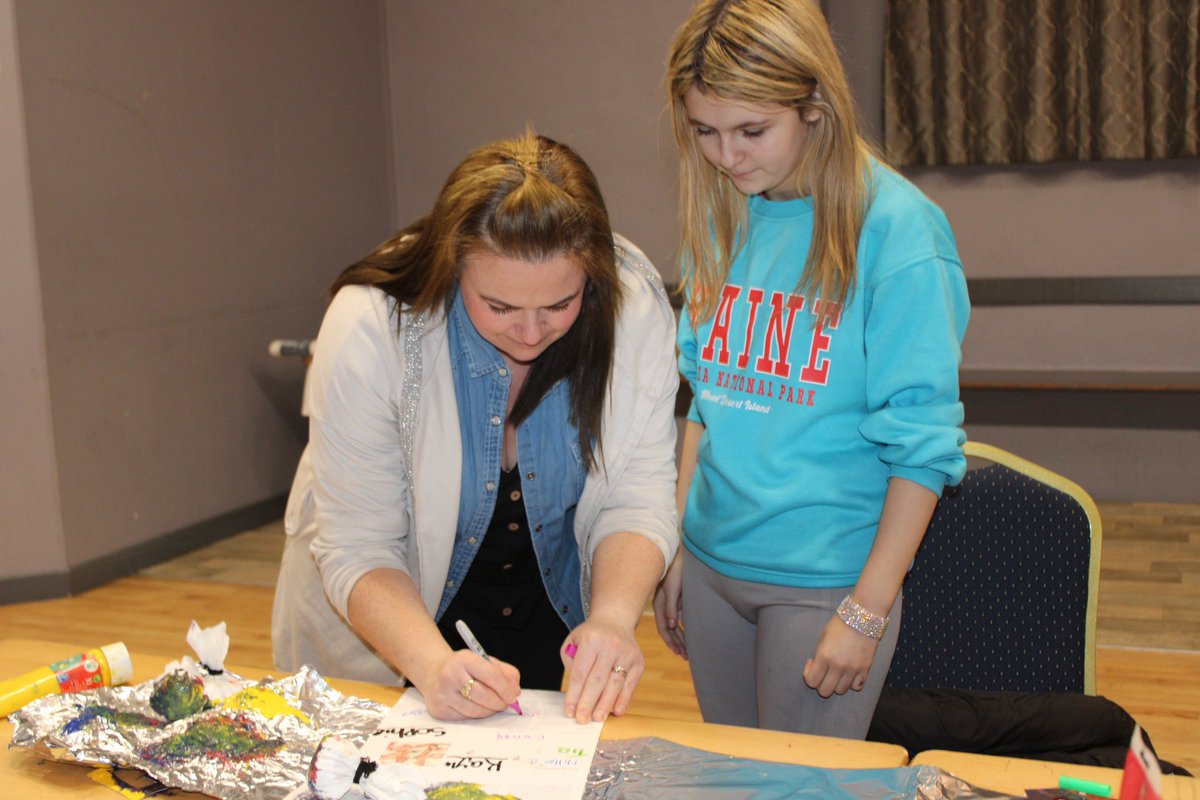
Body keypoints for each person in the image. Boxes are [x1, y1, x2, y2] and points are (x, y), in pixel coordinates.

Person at [272, 130, 680, 724]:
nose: (532, 333)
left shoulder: (633, 302)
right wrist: (431, 664)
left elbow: (635, 497)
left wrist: (614, 618)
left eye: (559, 305)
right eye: (500, 308)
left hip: (545, 604)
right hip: (392, 617)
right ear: (453, 267)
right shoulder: (372, 323)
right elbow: (361, 546)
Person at [653, 0, 970, 739]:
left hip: (822, 584)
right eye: (705, 131)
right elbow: (705, 399)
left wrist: (866, 610)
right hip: (708, 566)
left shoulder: (897, 230)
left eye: (751, 131)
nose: (726, 157)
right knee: (732, 785)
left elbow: (923, 448)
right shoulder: (723, 206)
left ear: (815, 106)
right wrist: (674, 544)